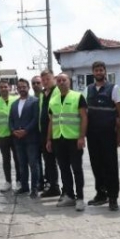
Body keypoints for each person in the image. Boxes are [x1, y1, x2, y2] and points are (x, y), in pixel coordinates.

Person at [46, 73, 88, 211]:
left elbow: (83, 118)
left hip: (74, 139)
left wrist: (82, 137)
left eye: (64, 80)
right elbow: (51, 122)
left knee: (76, 169)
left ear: (69, 81)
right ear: (56, 83)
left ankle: (80, 198)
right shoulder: (53, 101)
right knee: (64, 169)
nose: (62, 82)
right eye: (59, 80)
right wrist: (49, 140)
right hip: (58, 139)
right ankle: (69, 195)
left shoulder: (78, 97)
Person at [85, 61, 120, 211]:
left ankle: (113, 198)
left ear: (105, 72)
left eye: (101, 70)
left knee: (110, 166)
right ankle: (101, 194)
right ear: (93, 73)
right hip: (92, 135)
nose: (99, 72)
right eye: (96, 70)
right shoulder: (88, 89)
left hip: (108, 135)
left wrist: (118, 136)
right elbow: (84, 113)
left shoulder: (113, 88)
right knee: (96, 165)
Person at [9, 78, 41, 199]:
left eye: (24, 87)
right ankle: (24, 186)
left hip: (31, 138)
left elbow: (35, 118)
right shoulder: (14, 104)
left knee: (33, 164)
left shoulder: (35, 101)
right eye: (20, 87)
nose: (22, 89)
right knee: (22, 164)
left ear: (28, 88)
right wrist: (13, 131)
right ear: (17, 89)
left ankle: (34, 188)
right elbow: (10, 120)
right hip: (17, 139)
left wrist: (26, 130)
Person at [0, 79, 20, 192]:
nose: (4, 89)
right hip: (2, 135)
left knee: (18, 159)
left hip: (15, 134)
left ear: (9, 88)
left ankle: (19, 181)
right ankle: (8, 181)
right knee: (6, 159)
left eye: (5, 87)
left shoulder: (16, 100)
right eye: (1, 87)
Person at [38, 69, 61, 197]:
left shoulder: (57, 91)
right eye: (44, 80)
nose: (45, 82)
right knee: (49, 161)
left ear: (54, 79)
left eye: (48, 79)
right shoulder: (42, 94)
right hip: (44, 132)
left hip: (55, 131)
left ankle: (61, 188)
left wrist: (50, 137)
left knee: (58, 161)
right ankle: (53, 187)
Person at [31, 75, 45, 190]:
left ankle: (50, 182)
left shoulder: (46, 97)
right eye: (34, 83)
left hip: (45, 134)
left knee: (49, 160)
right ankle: (40, 183)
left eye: (38, 83)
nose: (36, 85)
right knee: (36, 160)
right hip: (34, 135)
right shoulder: (30, 100)